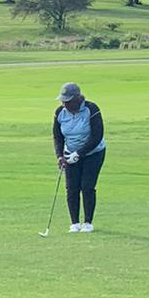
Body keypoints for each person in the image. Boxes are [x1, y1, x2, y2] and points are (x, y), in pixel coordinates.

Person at [53, 80, 106, 233]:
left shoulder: (91, 109)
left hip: (93, 153)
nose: (64, 104)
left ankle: (88, 222)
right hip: (70, 153)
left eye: (68, 101)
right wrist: (60, 156)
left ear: (78, 99)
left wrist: (79, 153)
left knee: (87, 186)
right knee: (72, 188)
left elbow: (97, 136)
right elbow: (58, 136)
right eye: (63, 101)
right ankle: (74, 223)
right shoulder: (59, 113)